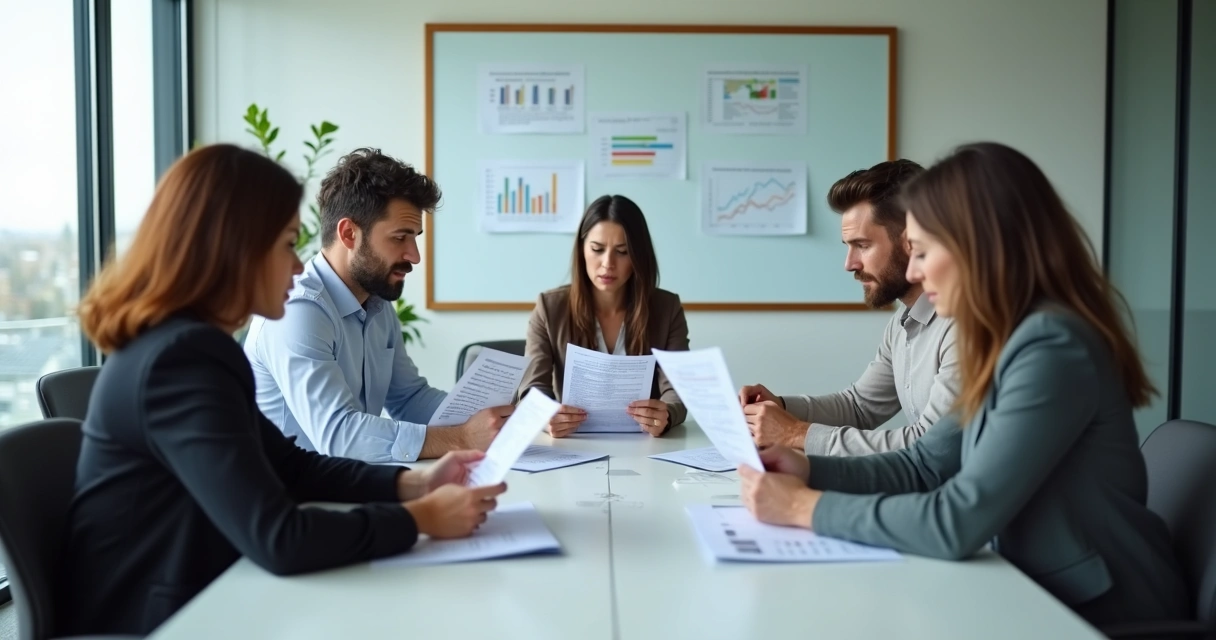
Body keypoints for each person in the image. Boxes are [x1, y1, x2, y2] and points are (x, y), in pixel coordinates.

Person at [58, 144, 505, 636]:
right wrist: (421, 518)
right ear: (234, 249)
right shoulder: (178, 362)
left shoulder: (194, 349)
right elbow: (279, 538)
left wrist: (414, 484)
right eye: (287, 244)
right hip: (160, 619)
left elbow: (289, 465)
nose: (297, 266)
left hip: (210, 588)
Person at [738, 142, 1189, 628]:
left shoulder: (1051, 345)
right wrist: (807, 468)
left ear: (981, 247)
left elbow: (956, 521)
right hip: (1029, 587)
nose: (912, 271)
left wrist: (804, 506)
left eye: (924, 252)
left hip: (1098, 612)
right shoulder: (1000, 335)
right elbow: (924, 465)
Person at [244, 148, 512, 463]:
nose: (415, 256)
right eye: (400, 238)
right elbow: (339, 434)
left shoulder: (377, 303)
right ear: (348, 234)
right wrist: (463, 437)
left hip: (351, 484)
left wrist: (501, 417)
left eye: (415, 238)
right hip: (296, 498)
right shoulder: (298, 311)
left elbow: (409, 398)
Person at [739, 159, 960, 456]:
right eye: (847, 245)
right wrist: (780, 406)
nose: (849, 264)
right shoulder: (901, 323)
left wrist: (795, 433)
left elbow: (930, 445)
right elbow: (859, 406)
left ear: (910, 241)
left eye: (863, 245)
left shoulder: (962, 325)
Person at [518, 195, 688, 437]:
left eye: (622, 251)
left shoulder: (666, 307)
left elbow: (677, 389)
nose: (607, 263)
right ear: (582, 249)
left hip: (646, 445)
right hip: (572, 445)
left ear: (638, 257)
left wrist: (667, 414)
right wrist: (545, 416)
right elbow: (532, 389)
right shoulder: (549, 307)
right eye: (597, 249)